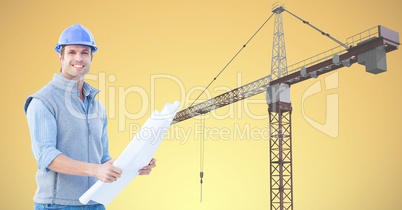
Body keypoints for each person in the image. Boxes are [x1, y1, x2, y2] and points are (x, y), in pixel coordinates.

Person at [24, 24, 156, 210]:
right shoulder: (43, 101)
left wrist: (134, 166)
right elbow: (47, 156)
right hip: (57, 205)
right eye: (72, 52)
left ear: (91, 56)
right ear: (60, 56)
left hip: (95, 202)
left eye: (85, 53)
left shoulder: (96, 107)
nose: (78, 58)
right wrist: (96, 170)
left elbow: (102, 160)